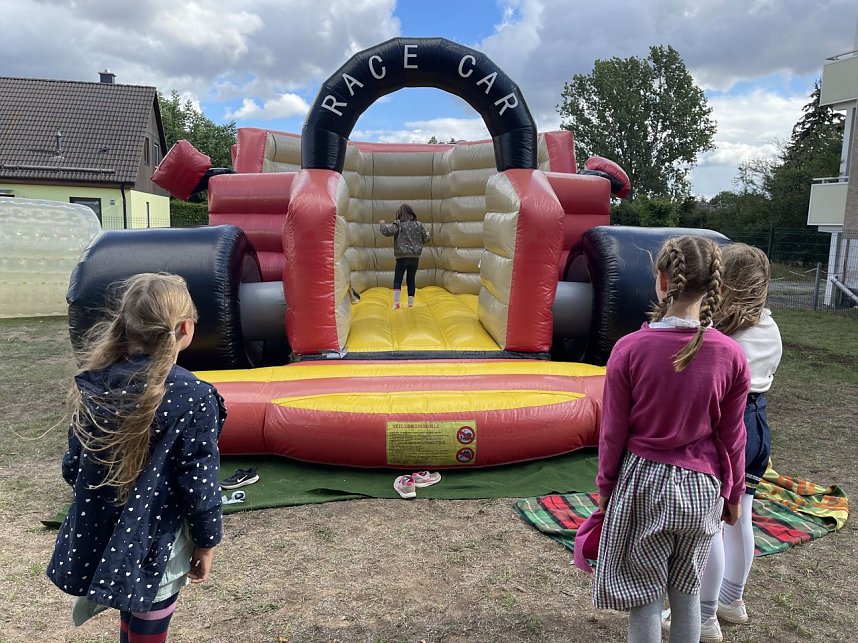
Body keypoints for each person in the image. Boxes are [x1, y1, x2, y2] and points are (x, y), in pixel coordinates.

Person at [47, 273, 227, 642]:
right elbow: (200, 486)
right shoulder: (193, 397)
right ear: (185, 329)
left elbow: (73, 466)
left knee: (134, 612)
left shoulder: (95, 381)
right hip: (157, 541)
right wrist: (207, 543)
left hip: (104, 528)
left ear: (125, 325)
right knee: (149, 618)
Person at [592, 235, 750, 643]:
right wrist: (733, 493)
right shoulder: (732, 355)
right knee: (688, 594)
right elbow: (733, 436)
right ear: (716, 287)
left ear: (661, 279)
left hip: (643, 487)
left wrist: (606, 488)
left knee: (645, 596)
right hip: (702, 490)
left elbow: (612, 431)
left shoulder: (629, 350)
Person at [672, 243, 782, 642]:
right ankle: (732, 600)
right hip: (758, 426)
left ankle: (703, 617)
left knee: (712, 526)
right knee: (742, 517)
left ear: (725, 283)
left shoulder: (720, 336)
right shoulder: (769, 326)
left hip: (730, 430)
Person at [379, 203, 431, 309]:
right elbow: (426, 239)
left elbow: (387, 232)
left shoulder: (398, 224)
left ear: (400, 214)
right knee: (411, 279)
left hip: (402, 257)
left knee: (398, 279)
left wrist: (382, 224)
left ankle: (396, 302)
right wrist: (428, 234)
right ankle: (410, 303)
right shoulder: (418, 225)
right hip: (415, 257)